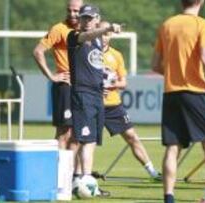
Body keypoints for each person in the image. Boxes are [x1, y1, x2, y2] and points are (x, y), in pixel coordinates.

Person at [151, 1, 205, 203]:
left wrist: (174, 74)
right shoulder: (203, 25)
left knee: (173, 147)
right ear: (201, 2)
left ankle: (169, 198)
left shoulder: (167, 24)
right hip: (195, 93)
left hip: (172, 93)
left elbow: (155, 64)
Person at [67, 4, 122, 196]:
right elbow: (85, 37)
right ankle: (75, 182)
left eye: (90, 18)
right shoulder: (74, 36)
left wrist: (104, 83)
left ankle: (83, 180)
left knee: (89, 141)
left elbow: (96, 67)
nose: (86, 21)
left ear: (97, 18)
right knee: (81, 139)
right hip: (83, 95)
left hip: (97, 95)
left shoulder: (99, 42)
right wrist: (107, 28)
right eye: (84, 18)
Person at [99, 21, 161, 181]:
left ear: (111, 35)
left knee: (132, 136)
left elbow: (123, 83)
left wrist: (109, 83)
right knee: (83, 141)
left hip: (113, 106)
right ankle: (76, 175)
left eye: (106, 33)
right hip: (93, 104)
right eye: (100, 32)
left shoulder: (116, 55)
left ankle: (152, 172)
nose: (103, 37)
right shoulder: (87, 53)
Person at [33, 0, 83, 149]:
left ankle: (73, 170)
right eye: (69, 10)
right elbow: (37, 51)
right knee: (64, 132)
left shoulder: (87, 31)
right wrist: (51, 76)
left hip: (81, 87)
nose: (72, 14)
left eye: (76, 11)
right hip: (65, 86)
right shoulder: (59, 29)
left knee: (77, 133)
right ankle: (57, 170)